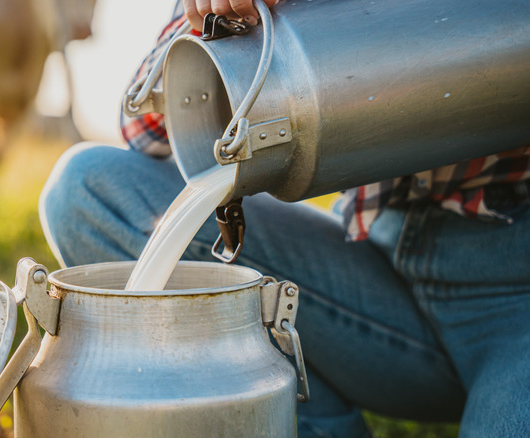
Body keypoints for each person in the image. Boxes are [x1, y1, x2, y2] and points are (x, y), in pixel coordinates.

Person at [39, 0, 530, 436]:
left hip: (515, 293)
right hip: (380, 274)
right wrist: (223, 15)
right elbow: (144, 126)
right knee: (88, 193)